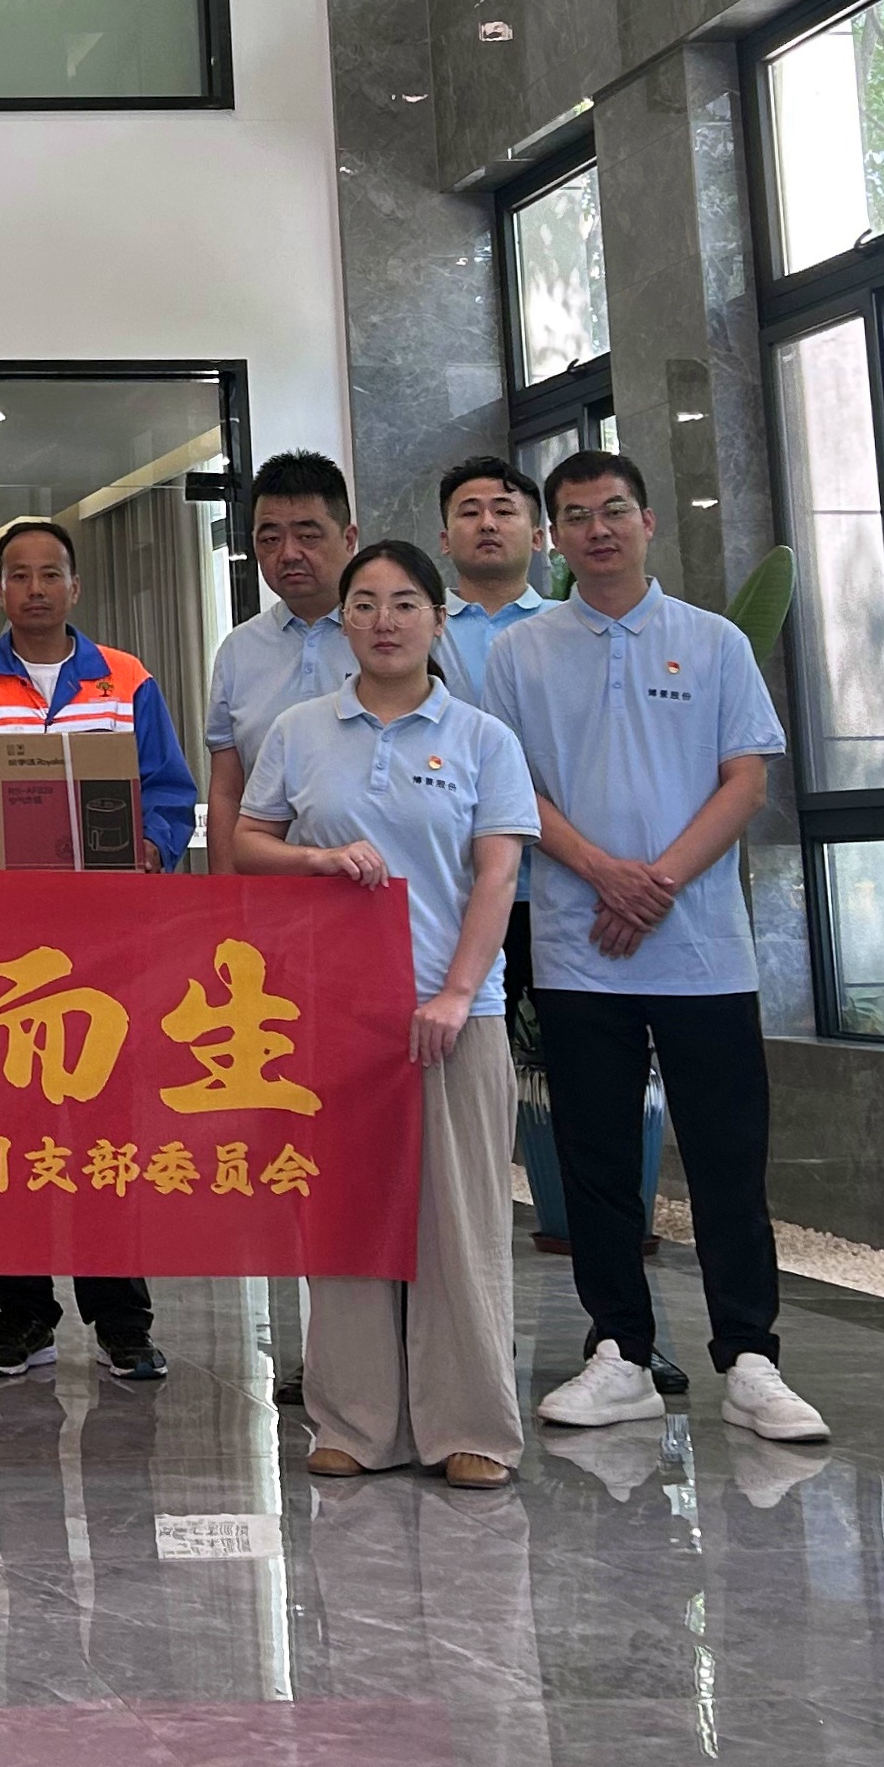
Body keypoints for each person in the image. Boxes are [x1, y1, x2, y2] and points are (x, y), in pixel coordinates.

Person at [484, 449, 827, 1446]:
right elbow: (510, 791)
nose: (595, 530)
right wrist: (604, 873)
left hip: (700, 949)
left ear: (646, 522)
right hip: (578, 943)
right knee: (593, 1159)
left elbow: (743, 780)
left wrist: (657, 881)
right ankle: (619, 1352)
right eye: (575, 515)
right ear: (551, 536)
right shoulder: (518, 655)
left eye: (613, 510)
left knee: (726, 1157)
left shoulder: (712, 641)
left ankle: (750, 1359)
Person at [230, 540, 534, 1488]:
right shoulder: (300, 730)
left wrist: (454, 992)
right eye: (363, 604)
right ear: (345, 623)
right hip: (335, 1016)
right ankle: (354, 1421)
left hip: (455, 1015)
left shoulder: (482, 739)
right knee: (346, 1220)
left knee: (460, 1223)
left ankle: (470, 1426)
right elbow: (247, 841)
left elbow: (497, 876)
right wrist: (315, 861)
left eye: (405, 603)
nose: (383, 621)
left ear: (438, 620)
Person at [0, 515, 200, 1385]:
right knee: (7, 1129)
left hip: (102, 945)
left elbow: (169, 789)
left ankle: (122, 1319)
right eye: (18, 575)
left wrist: (153, 844)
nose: (35, 589)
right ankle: (21, 1315)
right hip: (0, 950)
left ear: (75, 587)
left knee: (104, 1128)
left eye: (50, 574)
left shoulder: (125, 679)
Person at [203, 450, 361, 868]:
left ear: (349, 539)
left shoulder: (385, 637)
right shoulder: (238, 650)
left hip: (372, 878)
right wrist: (226, 891)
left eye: (307, 536)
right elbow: (227, 790)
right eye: (270, 539)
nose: (288, 553)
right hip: (268, 884)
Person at [434, 454, 551, 707]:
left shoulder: (566, 623)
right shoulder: (420, 627)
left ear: (537, 538)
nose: (487, 524)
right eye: (470, 513)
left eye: (504, 511)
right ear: (445, 541)